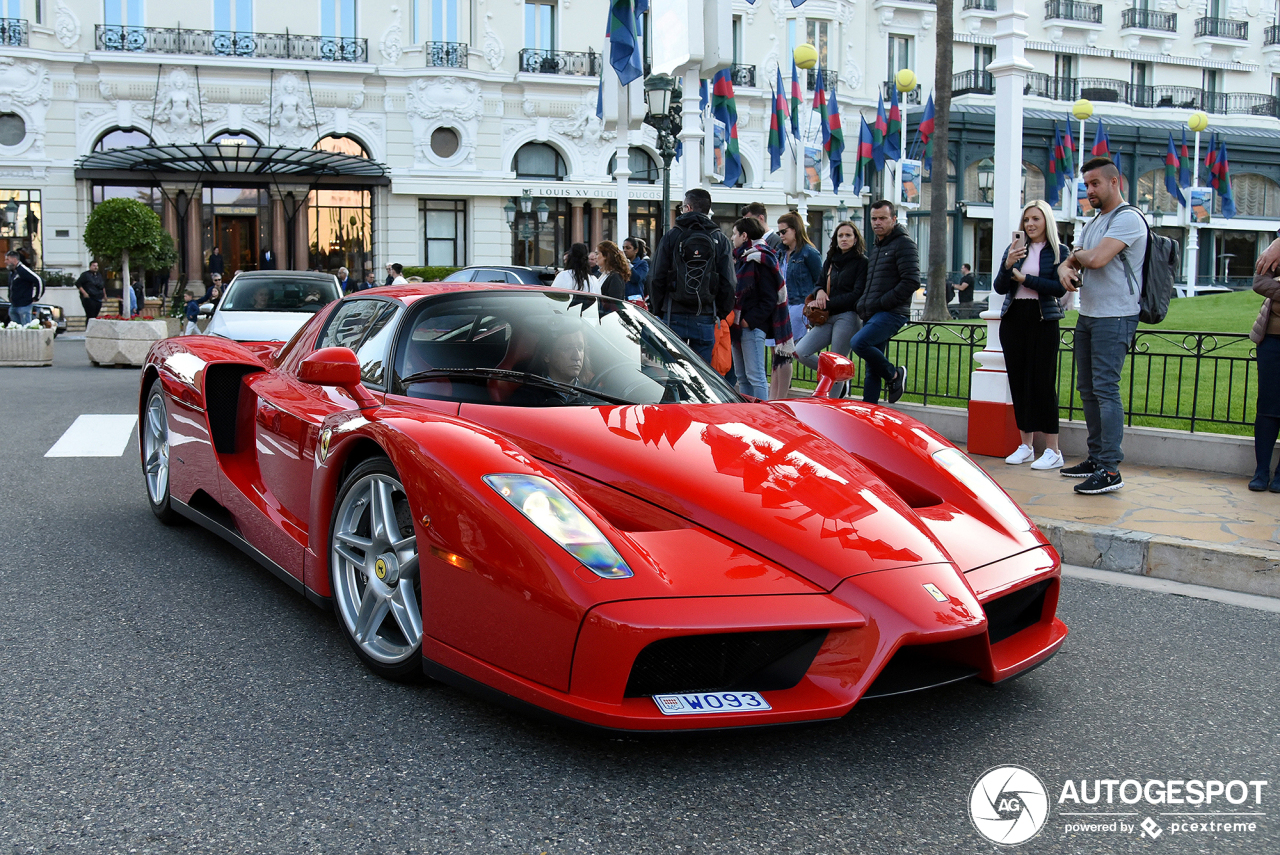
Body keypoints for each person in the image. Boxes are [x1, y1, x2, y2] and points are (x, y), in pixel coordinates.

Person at [1057, 157, 1147, 495]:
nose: (1090, 190)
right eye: (1086, 185)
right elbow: (1074, 258)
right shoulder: (1094, 222)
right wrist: (1067, 265)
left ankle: (1110, 468)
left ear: (1115, 182)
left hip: (1117, 314)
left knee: (1106, 390)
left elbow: (1095, 259)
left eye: (1095, 183)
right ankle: (1096, 458)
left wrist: (1075, 257)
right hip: (1090, 314)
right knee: (1087, 390)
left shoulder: (1129, 219)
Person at [993, 200, 1069, 470]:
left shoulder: (1059, 251)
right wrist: (1008, 266)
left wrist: (1026, 279)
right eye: (1027, 220)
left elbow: (1058, 289)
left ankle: (1053, 449)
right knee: (1019, 382)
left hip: (1043, 320)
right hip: (1014, 319)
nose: (1031, 224)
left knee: (1043, 384)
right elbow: (1000, 287)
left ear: (1047, 221)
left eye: (1036, 219)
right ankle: (1025, 445)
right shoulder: (1015, 249)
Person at [648, 188, 736, 362]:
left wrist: (657, 308)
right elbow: (729, 282)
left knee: (672, 372)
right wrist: (720, 312)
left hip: (672, 312)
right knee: (701, 376)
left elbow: (656, 276)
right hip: (704, 313)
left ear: (687, 208)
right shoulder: (719, 238)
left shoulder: (672, 236)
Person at [852, 200, 918, 404]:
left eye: (882, 218)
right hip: (873, 312)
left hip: (892, 312)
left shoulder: (904, 243)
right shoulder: (878, 246)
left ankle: (894, 374)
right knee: (872, 367)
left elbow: (912, 281)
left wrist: (882, 302)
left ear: (894, 219)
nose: (877, 222)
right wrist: (864, 304)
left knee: (859, 343)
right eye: (874, 218)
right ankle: (868, 413)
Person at [795, 220, 867, 399]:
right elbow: (818, 282)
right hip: (827, 317)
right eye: (840, 235)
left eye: (848, 235)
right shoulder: (831, 260)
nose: (844, 239)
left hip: (848, 317)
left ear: (856, 239)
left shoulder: (862, 262)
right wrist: (818, 291)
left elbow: (857, 293)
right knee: (801, 351)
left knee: (836, 361)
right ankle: (841, 378)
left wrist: (828, 303)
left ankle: (832, 401)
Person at [729, 217, 785, 399]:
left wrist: (748, 321)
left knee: (756, 377)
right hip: (739, 326)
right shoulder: (743, 258)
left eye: (734, 233)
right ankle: (748, 415)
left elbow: (769, 299)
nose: (731, 237)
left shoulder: (761, 259)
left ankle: (762, 416)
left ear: (744, 235)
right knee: (742, 377)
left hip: (751, 326)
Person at [1249, 270, 1280, 491]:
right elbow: (1260, 283)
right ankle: (1261, 471)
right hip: (1271, 340)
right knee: (1267, 405)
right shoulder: (1274, 253)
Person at [776, 211, 822, 341]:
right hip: (782, 305)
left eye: (784, 232)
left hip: (800, 305)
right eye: (779, 233)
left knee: (796, 349)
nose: (781, 236)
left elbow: (820, 280)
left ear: (795, 230)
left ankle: (821, 362)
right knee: (782, 349)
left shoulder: (809, 253)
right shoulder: (780, 253)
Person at [4, 250, 41, 325]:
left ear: (14, 260)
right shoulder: (12, 272)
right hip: (13, 305)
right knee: (16, 328)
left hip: (24, 306)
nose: (5, 262)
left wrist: (37, 297)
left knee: (26, 328)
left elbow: (39, 281)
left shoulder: (23, 270)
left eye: (7, 259)